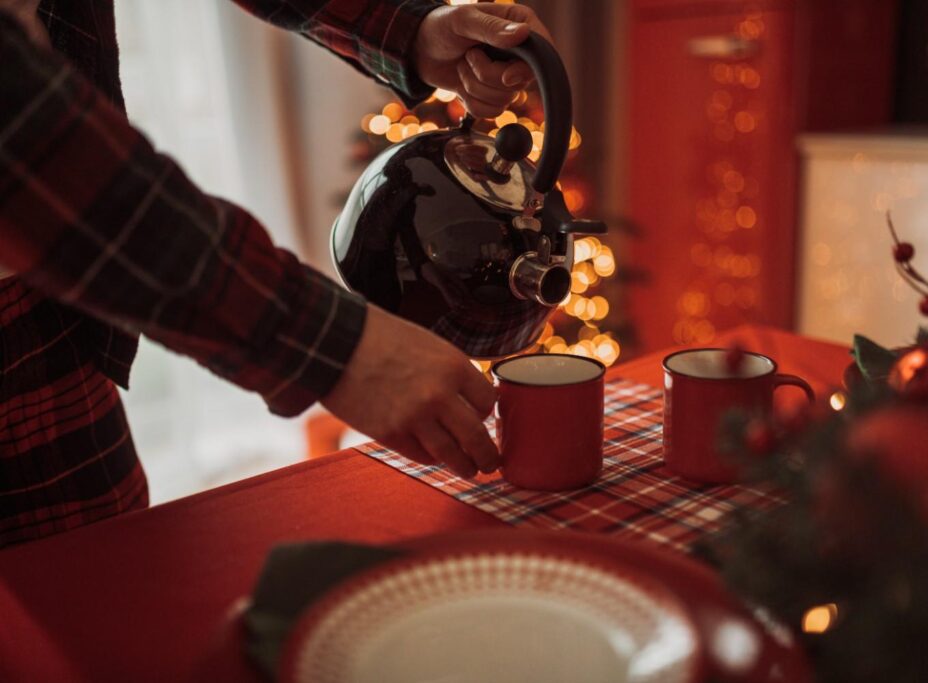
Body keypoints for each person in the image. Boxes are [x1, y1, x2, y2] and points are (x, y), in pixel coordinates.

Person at [0, 0, 553, 548]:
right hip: (27, 281)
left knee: (100, 574)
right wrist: (335, 348)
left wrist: (411, 30)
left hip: (48, 328)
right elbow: (27, 143)